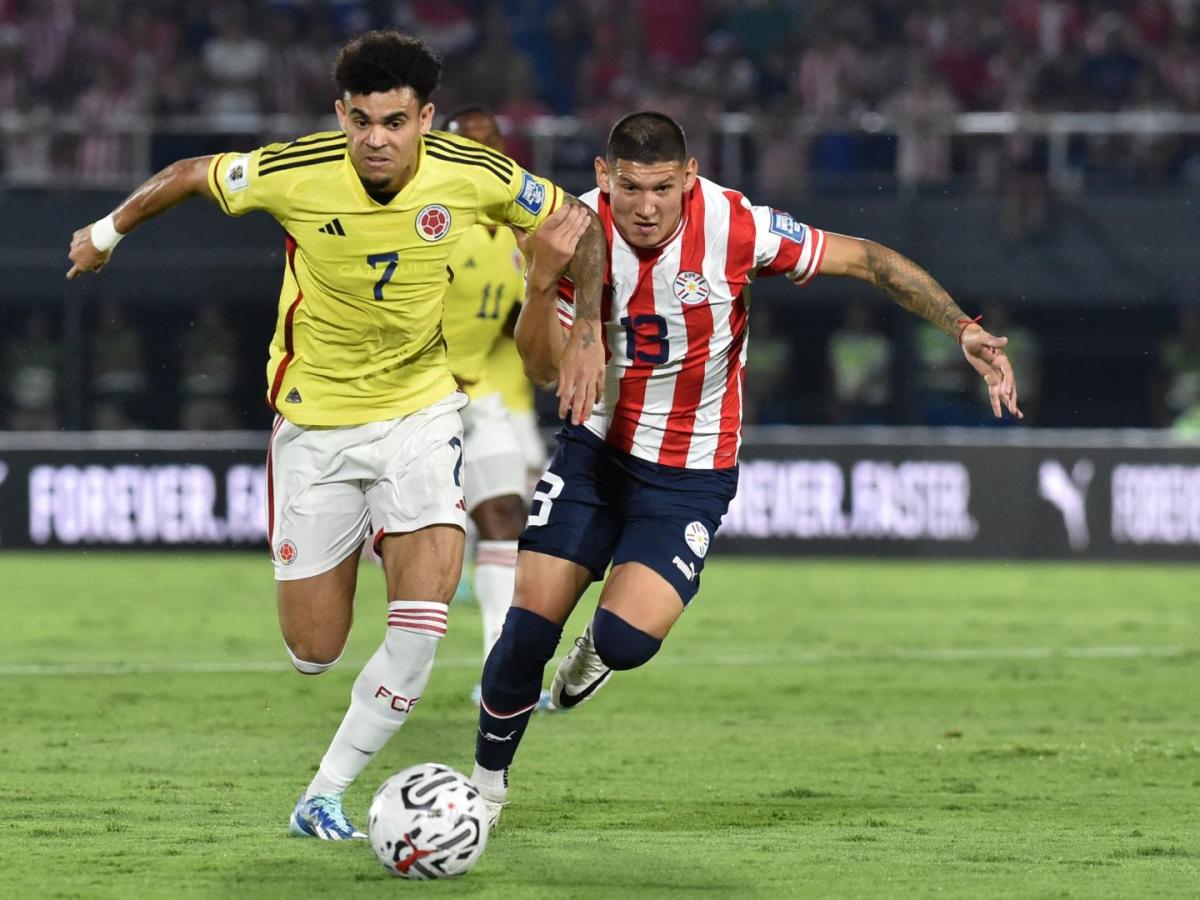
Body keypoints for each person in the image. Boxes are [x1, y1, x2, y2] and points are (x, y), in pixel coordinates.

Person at [66, 30, 606, 841]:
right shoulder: (296, 171)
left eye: (394, 121)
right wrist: (105, 235)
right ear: (339, 115)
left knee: (421, 631)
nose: (376, 139)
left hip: (423, 412)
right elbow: (186, 175)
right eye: (361, 121)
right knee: (314, 651)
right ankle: (360, 538)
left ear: (426, 117)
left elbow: (579, 228)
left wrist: (589, 328)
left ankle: (325, 792)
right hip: (314, 428)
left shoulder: (479, 174)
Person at [470, 111, 1022, 826]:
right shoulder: (574, 233)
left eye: (662, 188)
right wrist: (545, 290)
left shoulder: (736, 225)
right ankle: (481, 792)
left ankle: (595, 655)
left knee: (627, 642)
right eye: (630, 186)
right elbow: (542, 368)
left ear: (689, 177)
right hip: (592, 455)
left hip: (689, 476)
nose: (644, 205)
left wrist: (965, 330)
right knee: (524, 634)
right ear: (605, 178)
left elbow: (869, 261)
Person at [437, 106, 549, 707]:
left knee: (506, 514)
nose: (483, 154)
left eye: (492, 143)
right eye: (468, 144)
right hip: (405, 397)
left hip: (478, 392)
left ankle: (496, 675)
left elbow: (513, 319)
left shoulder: (518, 233)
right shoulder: (428, 220)